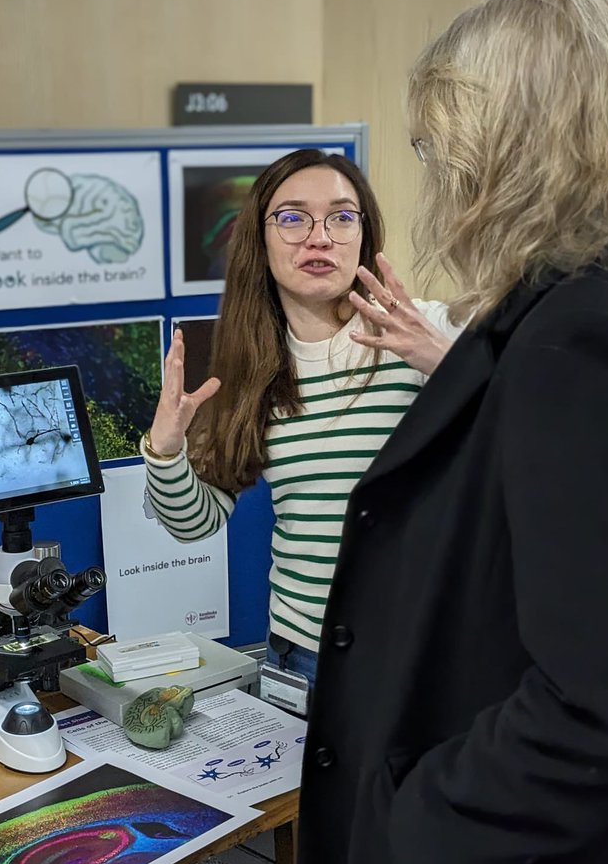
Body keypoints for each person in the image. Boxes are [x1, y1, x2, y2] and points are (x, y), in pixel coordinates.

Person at [286, 0, 608, 864]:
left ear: (500, 144)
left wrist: (415, 825)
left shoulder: (576, 342)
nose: (434, 178)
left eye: (434, 147)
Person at [141, 149, 457, 692]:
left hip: (418, 656)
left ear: (364, 233)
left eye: (341, 216)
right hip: (299, 658)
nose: (319, 237)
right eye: (291, 218)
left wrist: (448, 364)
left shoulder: (429, 333)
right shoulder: (245, 369)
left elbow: (529, 458)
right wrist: (166, 449)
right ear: (260, 242)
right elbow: (195, 524)